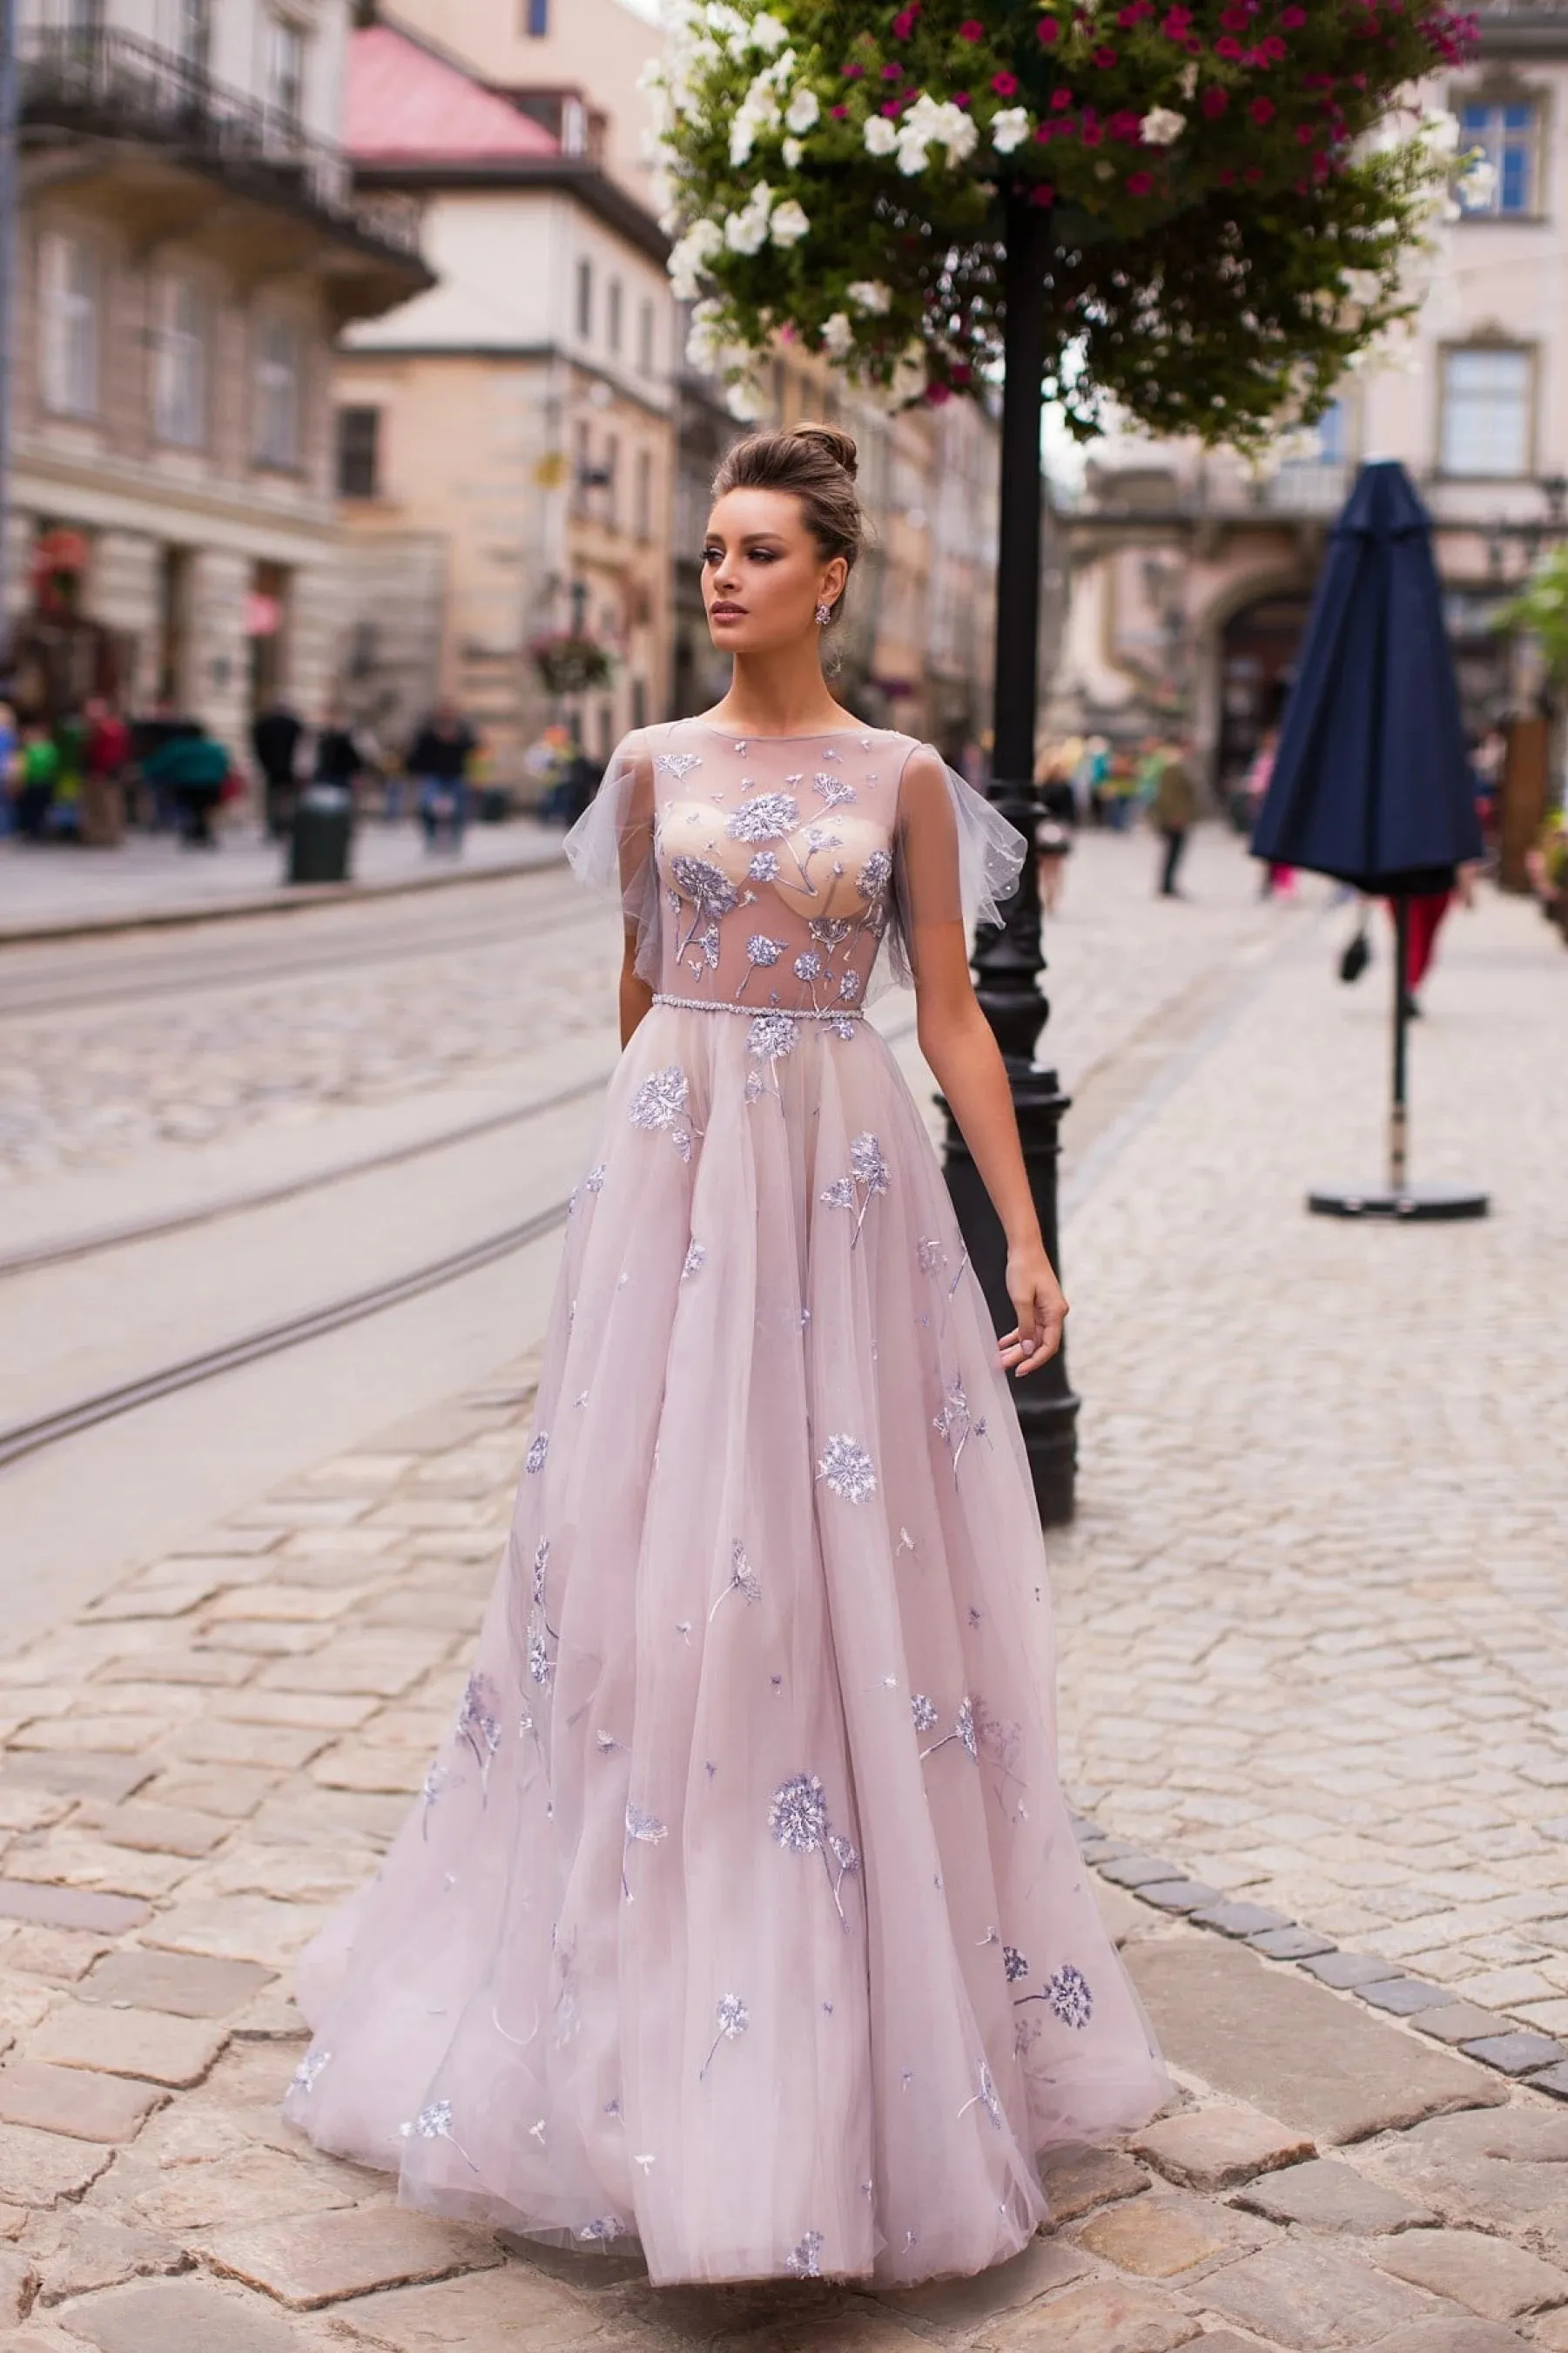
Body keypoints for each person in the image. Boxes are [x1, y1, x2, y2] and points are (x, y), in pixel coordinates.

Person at [284, 422, 1168, 2287]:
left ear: (829, 576)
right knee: (635, 1574)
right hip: (679, 1176)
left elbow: (947, 1009)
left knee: (836, 1573)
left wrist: (1019, 1224)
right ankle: (613, 1994)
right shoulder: (649, 761)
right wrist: (644, 1196)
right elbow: (636, 982)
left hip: (844, 1182)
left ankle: (859, 2007)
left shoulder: (906, 776)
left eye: (758, 550)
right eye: (711, 547)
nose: (721, 574)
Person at [140, 720, 230, 847]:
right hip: (210, 785)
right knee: (204, 811)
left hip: (186, 785)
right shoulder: (213, 748)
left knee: (189, 810)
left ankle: (192, 832)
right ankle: (204, 833)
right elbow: (223, 764)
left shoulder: (178, 747)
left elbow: (161, 763)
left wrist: (144, 771)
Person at [407, 698, 478, 853]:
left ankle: (456, 840)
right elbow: (416, 752)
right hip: (432, 774)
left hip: (456, 774)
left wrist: (457, 740)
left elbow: (474, 749)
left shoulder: (463, 729)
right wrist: (416, 772)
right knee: (427, 807)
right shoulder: (427, 729)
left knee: (459, 809)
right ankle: (431, 838)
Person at [252, 698, 305, 839]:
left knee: (272, 797)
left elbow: (257, 746)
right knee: (289, 797)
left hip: (270, 767)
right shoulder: (295, 724)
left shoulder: (263, 724)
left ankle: (273, 825)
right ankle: (287, 824)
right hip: (291, 767)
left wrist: (262, 762)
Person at [1152, 738, 1198, 897]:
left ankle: (1169, 883)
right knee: (1172, 852)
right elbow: (1169, 795)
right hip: (1174, 818)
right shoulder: (1174, 767)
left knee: (1175, 852)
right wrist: (1175, 816)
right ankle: (1166, 884)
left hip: (1179, 817)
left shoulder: (1183, 766)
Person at [82, 697, 131, 848]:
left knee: (108, 806)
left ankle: (109, 837)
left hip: (105, 774)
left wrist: (103, 771)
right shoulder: (92, 729)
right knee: (94, 806)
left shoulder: (110, 730)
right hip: (94, 772)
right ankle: (96, 836)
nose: (90, 713)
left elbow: (111, 754)